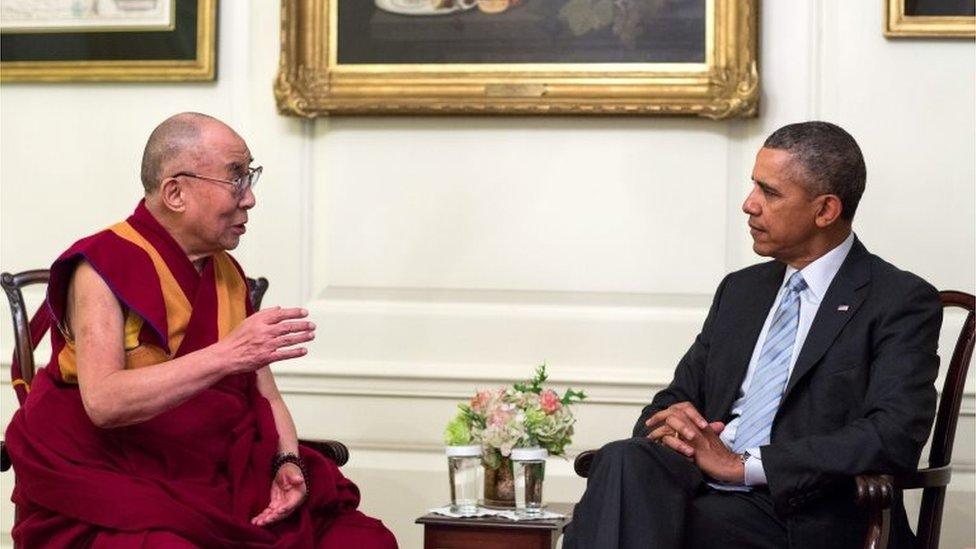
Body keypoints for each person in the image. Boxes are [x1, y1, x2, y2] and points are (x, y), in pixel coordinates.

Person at [4, 113, 398, 548]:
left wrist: (287, 463)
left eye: (250, 178)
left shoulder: (225, 273)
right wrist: (228, 354)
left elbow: (265, 394)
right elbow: (103, 403)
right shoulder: (101, 266)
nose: (249, 200)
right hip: (119, 484)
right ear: (175, 191)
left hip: (214, 478)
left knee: (364, 540)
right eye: (236, 179)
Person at [563, 121, 942, 549]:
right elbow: (669, 403)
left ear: (825, 210)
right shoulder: (741, 290)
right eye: (753, 187)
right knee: (622, 459)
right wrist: (677, 428)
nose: (749, 204)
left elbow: (894, 435)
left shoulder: (898, 299)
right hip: (699, 487)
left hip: (800, 511)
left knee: (626, 516)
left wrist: (744, 465)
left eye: (770, 192)